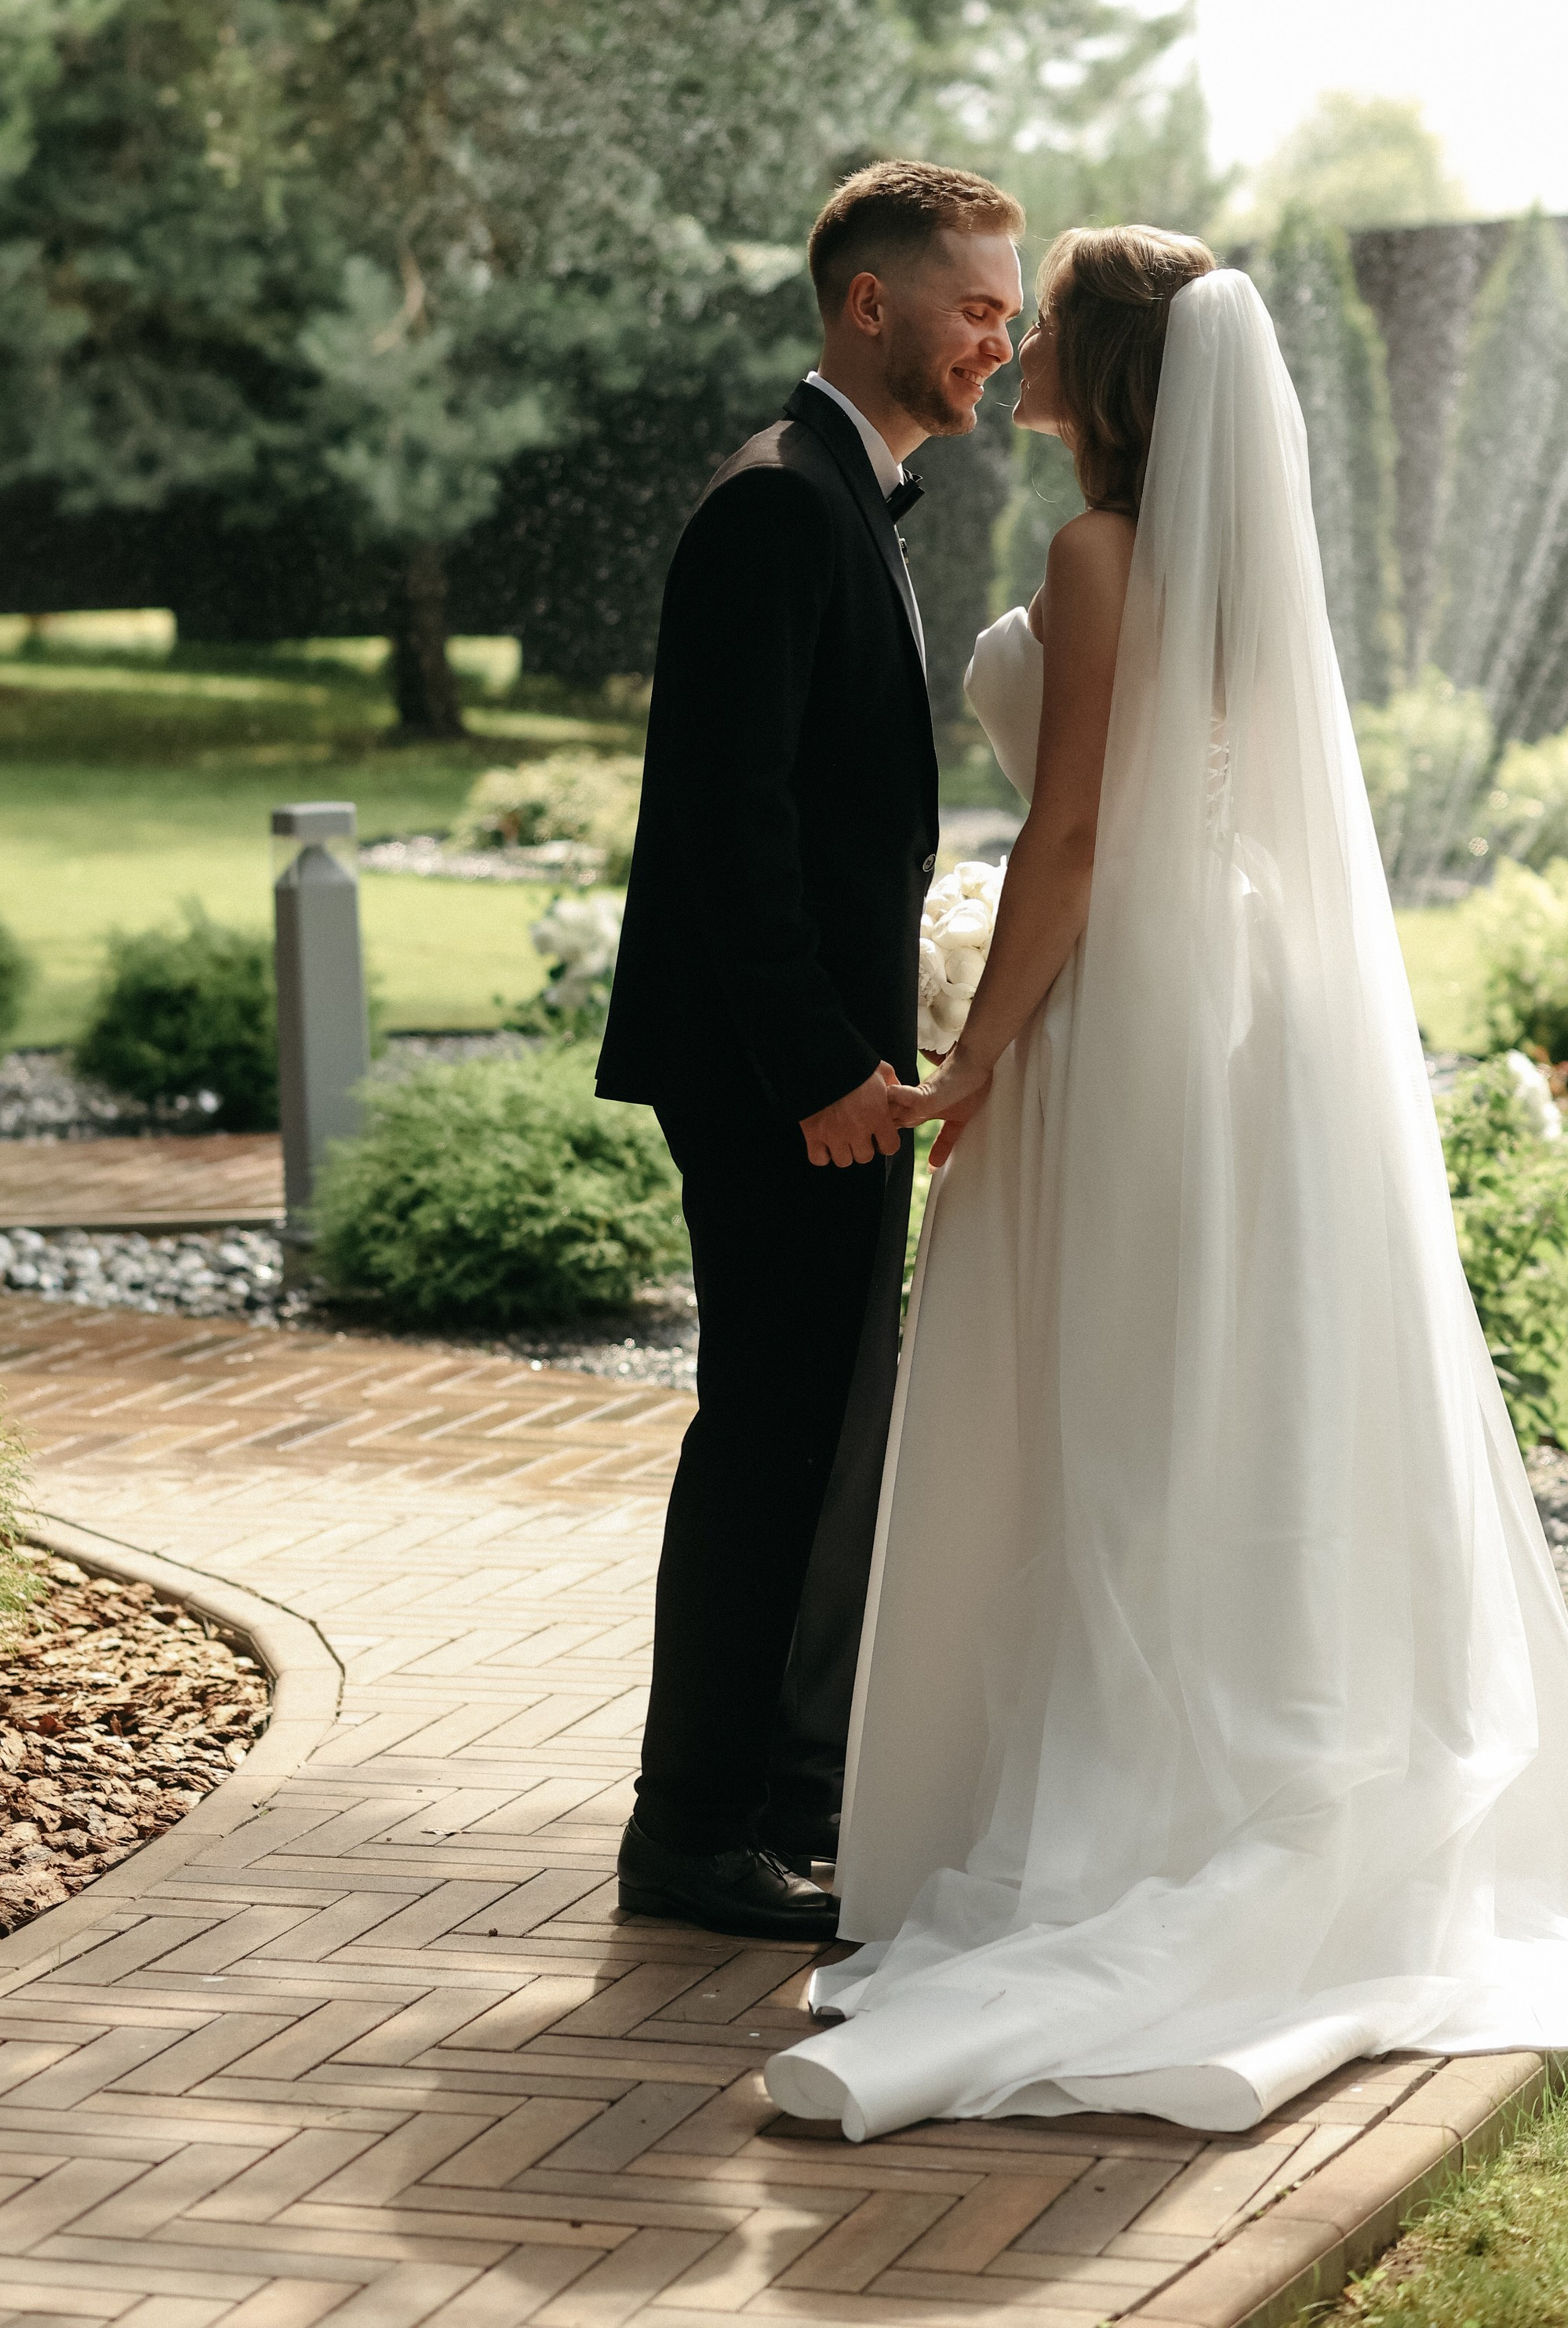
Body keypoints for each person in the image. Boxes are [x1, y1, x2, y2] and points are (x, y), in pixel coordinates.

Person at [767, 232, 1568, 2132]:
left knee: (1113, 1410)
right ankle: (1239, 1761)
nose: (1017, 339)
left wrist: (975, 1052)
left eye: (1044, 319)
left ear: (1114, 376)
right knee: (1211, 1401)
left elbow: (1065, 842)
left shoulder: (1094, 558)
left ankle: (1129, 1804)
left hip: (1114, 1025)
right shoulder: (1217, 567)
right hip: (1228, 1015)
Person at [597, 158, 1023, 1941]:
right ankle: (687, 1827)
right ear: (871, 304)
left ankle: (780, 1793)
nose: (996, 340)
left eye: (1007, 314)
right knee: (768, 1431)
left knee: (825, 1425)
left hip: (824, 1073)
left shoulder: (855, 499)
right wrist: (817, 1068)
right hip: (784, 1084)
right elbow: (724, 824)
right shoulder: (776, 505)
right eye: (974, 306)